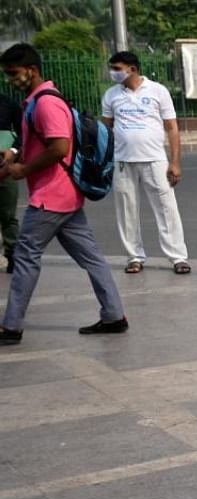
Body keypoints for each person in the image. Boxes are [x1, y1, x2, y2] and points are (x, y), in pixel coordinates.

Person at [0, 43, 127, 346]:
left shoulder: (45, 103)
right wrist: (14, 158)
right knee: (92, 258)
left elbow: (60, 147)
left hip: (50, 197)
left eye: (13, 73)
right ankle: (114, 315)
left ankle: (12, 326)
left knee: (26, 256)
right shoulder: (37, 101)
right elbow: (38, 141)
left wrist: (24, 169)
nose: (10, 80)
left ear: (31, 70)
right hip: (65, 197)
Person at [101, 50, 190, 275]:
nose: (113, 73)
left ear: (132, 69)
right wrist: (105, 160)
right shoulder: (111, 95)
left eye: (117, 69)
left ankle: (178, 257)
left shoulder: (158, 91)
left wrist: (175, 162)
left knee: (166, 208)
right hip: (123, 161)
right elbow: (106, 129)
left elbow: (172, 127)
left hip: (155, 159)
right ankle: (134, 257)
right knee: (126, 209)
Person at [0, 93, 21, 273]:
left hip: (5, 166)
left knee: (8, 212)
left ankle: (12, 252)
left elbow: (23, 133)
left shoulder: (9, 103)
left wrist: (13, 150)